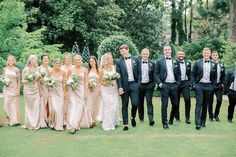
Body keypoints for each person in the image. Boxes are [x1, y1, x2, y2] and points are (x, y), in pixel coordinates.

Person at [154, 45, 181, 129]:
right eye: (165, 50)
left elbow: (179, 73)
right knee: (164, 105)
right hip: (164, 85)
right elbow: (155, 74)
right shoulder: (159, 61)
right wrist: (160, 83)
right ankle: (164, 123)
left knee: (175, 104)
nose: (167, 51)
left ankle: (171, 119)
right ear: (163, 51)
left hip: (174, 85)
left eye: (168, 49)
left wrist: (178, 83)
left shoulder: (176, 61)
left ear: (171, 50)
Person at [116, 44, 141, 131]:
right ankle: (125, 124)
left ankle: (132, 117)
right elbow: (118, 75)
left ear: (128, 50)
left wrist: (138, 84)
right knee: (124, 105)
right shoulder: (119, 62)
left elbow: (139, 72)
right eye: (120, 51)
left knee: (135, 103)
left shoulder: (136, 59)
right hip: (124, 86)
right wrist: (120, 87)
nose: (122, 52)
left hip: (134, 84)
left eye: (123, 51)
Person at [191, 48, 216, 130]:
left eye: (208, 53)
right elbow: (192, 74)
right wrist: (193, 84)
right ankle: (197, 123)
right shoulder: (197, 63)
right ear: (202, 53)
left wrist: (213, 86)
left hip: (209, 86)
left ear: (210, 54)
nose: (206, 54)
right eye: (205, 53)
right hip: (199, 86)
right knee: (199, 103)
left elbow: (215, 77)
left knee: (205, 105)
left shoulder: (213, 64)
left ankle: (203, 122)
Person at [67, 55, 92, 133]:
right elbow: (68, 81)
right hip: (73, 91)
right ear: (74, 61)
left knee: (79, 108)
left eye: (79, 60)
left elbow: (86, 82)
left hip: (81, 91)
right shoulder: (70, 70)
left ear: (81, 61)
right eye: (76, 60)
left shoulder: (85, 70)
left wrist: (85, 92)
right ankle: (73, 126)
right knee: (73, 107)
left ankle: (75, 123)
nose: (77, 61)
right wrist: (68, 92)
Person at [22, 55, 47, 130]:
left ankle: (37, 123)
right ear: (31, 60)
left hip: (36, 90)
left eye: (36, 60)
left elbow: (38, 80)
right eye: (35, 60)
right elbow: (23, 81)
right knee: (29, 107)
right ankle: (30, 123)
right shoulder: (25, 69)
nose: (36, 61)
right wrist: (30, 80)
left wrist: (40, 90)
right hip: (28, 90)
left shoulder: (37, 69)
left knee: (36, 107)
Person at [99, 53, 119, 131]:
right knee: (107, 107)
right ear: (106, 60)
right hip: (106, 91)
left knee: (114, 106)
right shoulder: (101, 70)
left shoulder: (114, 68)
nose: (112, 59)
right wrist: (108, 83)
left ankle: (113, 122)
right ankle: (107, 125)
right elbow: (100, 82)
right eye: (111, 58)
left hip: (114, 90)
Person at [137, 48, 155, 126]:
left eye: (146, 54)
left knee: (149, 102)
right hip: (139, 86)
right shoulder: (137, 63)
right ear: (141, 54)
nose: (145, 55)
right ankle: (141, 118)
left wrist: (153, 84)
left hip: (149, 86)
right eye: (143, 54)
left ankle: (151, 119)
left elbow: (154, 75)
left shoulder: (152, 63)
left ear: (148, 55)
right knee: (140, 103)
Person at [48, 59, 66, 131]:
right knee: (54, 109)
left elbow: (64, 83)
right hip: (53, 92)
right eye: (56, 63)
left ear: (60, 64)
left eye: (59, 63)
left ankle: (59, 125)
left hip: (60, 92)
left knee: (60, 109)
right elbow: (48, 81)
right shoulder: (50, 72)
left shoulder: (63, 72)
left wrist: (64, 93)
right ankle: (53, 123)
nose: (57, 64)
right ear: (54, 64)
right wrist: (50, 86)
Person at [2, 55, 21, 126]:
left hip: (14, 88)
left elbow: (19, 81)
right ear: (7, 61)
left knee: (14, 105)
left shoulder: (17, 70)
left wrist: (18, 90)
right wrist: (4, 82)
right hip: (6, 88)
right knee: (6, 104)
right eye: (9, 60)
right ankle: (8, 118)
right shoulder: (4, 69)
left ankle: (15, 120)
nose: (10, 61)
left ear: (14, 61)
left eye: (12, 60)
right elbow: (3, 78)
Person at [176, 50, 191, 124]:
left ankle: (187, 118)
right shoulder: (174, 62)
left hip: (185, 83)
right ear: (177, 55)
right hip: (177, 84)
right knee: (176, 101)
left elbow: (190, 73)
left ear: (184, 55)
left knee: (187, 99)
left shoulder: (188, 63)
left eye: (182, 54)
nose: (181, 55)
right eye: (179, 54)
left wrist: (190, 82)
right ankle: (177, 117)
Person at [209, 51, 225, 121]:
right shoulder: (209, 64)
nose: (215, 56)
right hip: (211, 85)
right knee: (210, 102)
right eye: (213, 55)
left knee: (219, 100)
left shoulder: (221, 65)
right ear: (211, 56)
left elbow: (223, 75)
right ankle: (210, 116)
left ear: (218, 56)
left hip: (218, 85)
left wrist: (222, 83)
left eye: (216, 55)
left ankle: (216, 115)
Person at [38, 54, 53, 125]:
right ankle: (43, 120)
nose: (45, 59)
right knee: (43, 104)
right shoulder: (39, 68)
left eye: (47, 58)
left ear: (49, 59)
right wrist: (40, 90)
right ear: (42, 60)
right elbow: (37, 80)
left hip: (50, 89)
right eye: (44, 58)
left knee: (49, 105)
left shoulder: (51, 69)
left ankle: (49, 119)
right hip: (43, 89)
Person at [87, 56, 101, 126]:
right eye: (90, 61)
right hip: (89, 90)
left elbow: (101, 81)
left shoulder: (99, 70)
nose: (92, 63)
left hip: (97, 90)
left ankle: (94, 119)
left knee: (95, 105)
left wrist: (99, 88)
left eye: (93, 61)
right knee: (89, 105)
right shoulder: (88, 71)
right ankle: (90, 120)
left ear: (95, 61)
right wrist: (89, 85)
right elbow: (86, 80)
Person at [61, 54, 74, 126]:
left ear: (70, 59)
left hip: (72, 88)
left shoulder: (73, 67)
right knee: (64, 104)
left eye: (68, 58)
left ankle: (70, 119)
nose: (67, 60)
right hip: (63, 88)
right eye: (65, 59)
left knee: (71, 103)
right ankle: (64, 119)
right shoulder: (62, 67)